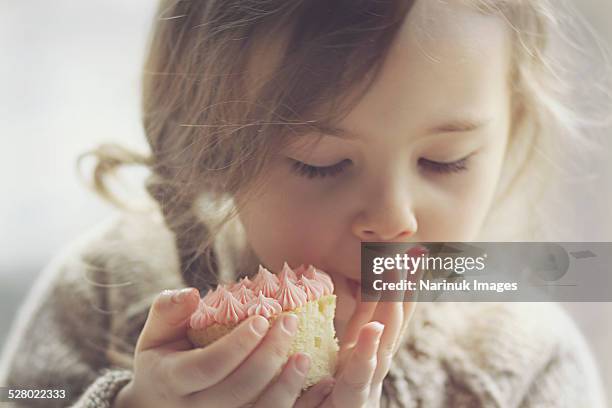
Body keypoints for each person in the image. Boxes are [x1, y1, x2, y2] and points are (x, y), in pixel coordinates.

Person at [1, 0, 608, 406]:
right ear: (212, 143)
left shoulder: (527, 364)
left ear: (511, 126)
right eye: (322, 164)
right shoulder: (106, 287)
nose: (395, 218)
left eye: (444, 160)